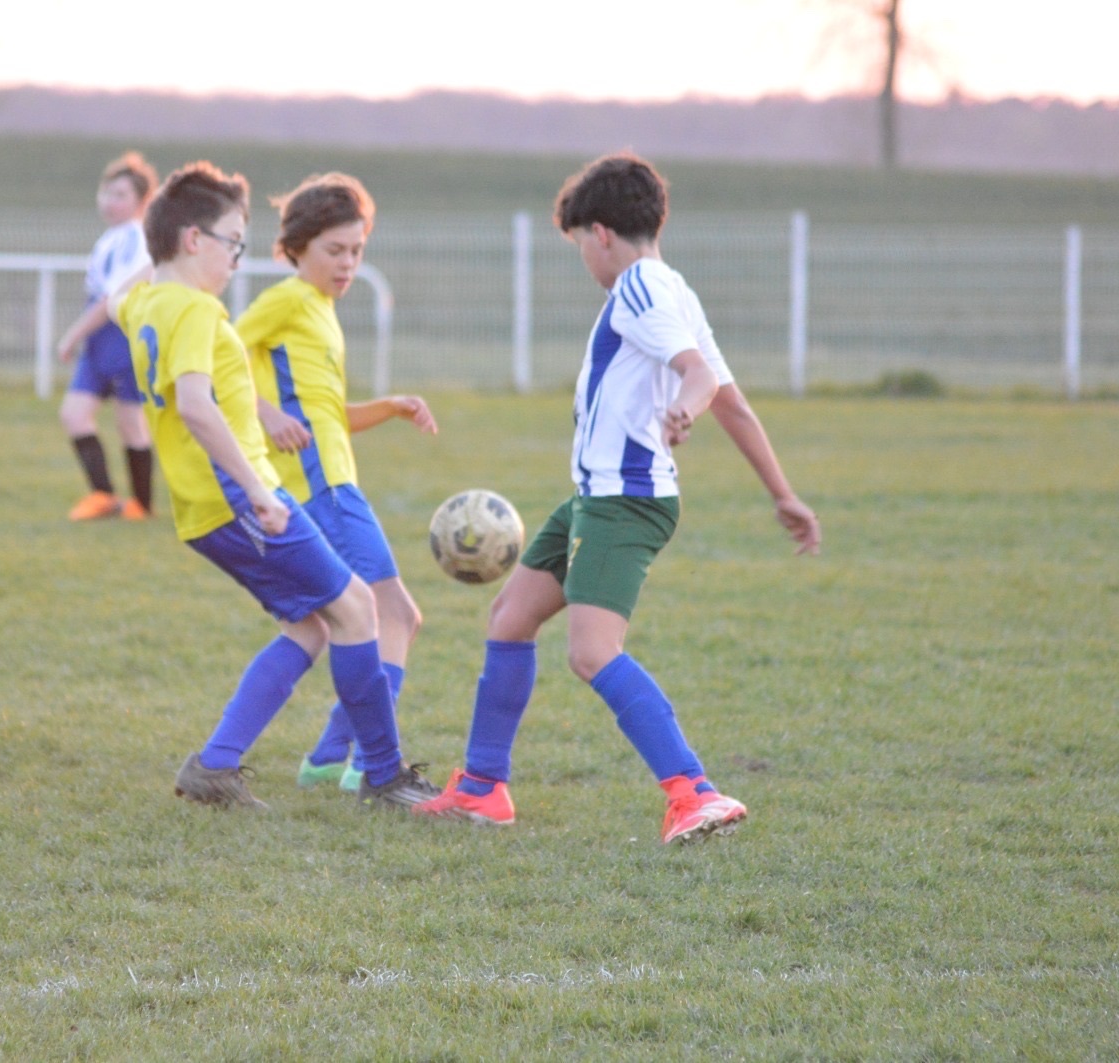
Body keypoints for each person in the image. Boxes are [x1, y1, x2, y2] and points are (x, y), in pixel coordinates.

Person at [415, 153, 821, 842]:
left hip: (623, 500)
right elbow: (732, 400)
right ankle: (482, 788)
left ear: (600, 233)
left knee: (592, 652)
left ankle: (695, 792)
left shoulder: (637, 288)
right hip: (595, 495)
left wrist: (684, 408)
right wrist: (782, 493)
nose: (585, 259)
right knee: (510, 617)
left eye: (581, 244)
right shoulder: (674, 290)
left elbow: (700, 380)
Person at [112, 160, 438, 811]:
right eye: (232, 241)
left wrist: (162, 246)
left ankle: (216, 765)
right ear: (193, 240)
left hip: (210, 503)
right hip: (239, 496)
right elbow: (197, 406)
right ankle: (382, 775)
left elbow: (122, 293)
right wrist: (259, 493)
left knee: (313, 626)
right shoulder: (196, 309)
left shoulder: (147, 303)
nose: (238, 258)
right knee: (357, 609)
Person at [234, 173, 438, 794]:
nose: (348, 263)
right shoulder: (288, 299)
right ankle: (364, 762)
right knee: (394, 613)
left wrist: (391, 407)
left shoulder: (320, 311)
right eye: (335, 250)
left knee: (350, 620)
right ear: (296, 247)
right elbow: (218, 361)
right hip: (322, 490)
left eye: (357, 250)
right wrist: (266, 414)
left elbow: (329, 416)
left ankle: (329, 757)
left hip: (332, 482)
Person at [57, 151, 157, 521]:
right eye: (107, 193)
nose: (110, 201)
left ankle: (141, 505)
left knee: (131, 423)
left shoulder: (137, 239)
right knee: (74, 414)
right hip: (99, 340)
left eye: (120, 195)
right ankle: (104, 496)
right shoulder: (111, 238)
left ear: (142, 201)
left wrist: (72, 335)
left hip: (121, 337)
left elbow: (111, 300)